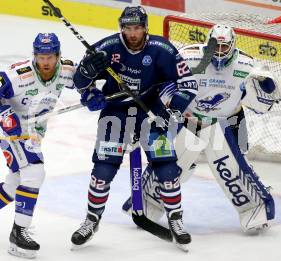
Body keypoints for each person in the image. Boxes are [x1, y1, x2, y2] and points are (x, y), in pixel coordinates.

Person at [124, 24, 281, 233]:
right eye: (215, 46)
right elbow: (165, 85)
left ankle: (256, 208)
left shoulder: (246, 67)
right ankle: (149, 202)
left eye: (224, 47)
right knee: (171, 162)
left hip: (228, 121)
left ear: (232, 46)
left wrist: (267, 86)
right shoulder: (188, 59)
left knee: (232, 168)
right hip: (189, 119)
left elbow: (264, 106)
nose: (218, 51)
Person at [70, 6, 197, 250]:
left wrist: (173, 110)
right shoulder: (107, 47)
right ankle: (91, 220)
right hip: (116, 113)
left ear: (145, 27)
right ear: (122, 28)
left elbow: (188, 84)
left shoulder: (164, 50)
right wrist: (88, 83)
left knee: (167, 167)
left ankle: (176, 219)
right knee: (103, 170)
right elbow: (79, 82)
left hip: (151, 113)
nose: (133, 33)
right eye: (128, 28)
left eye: (137, 28)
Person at [0, 33, 75, 259]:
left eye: (50, 57)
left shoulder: (66, 70)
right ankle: (19, 234)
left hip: (34, 132)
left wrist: (93, 94)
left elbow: (85, 84)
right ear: (34, 55)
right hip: (10, 130)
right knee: (34, 172)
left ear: (58, 56)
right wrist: (3, 113)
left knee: (16, 182)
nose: (45, 62)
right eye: (40, 56)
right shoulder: (19, 75)